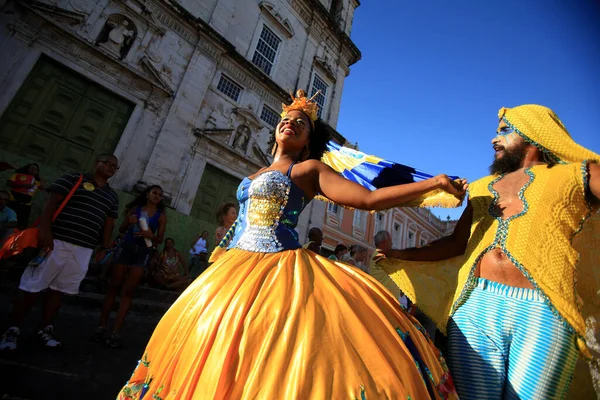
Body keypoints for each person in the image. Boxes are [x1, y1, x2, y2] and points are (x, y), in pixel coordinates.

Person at [117, 90, 465, 399]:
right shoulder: (253, 175)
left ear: (309, 141)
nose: (291, 124)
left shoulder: (307, 170)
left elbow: (368, 200)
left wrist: (432, 183)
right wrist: (220, 254)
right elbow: (242, 221)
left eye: (301, 124)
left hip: (279, 268)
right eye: (286, 119)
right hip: (231, 271)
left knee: (274, 352)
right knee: (213, 343)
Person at [378, 105, 600, 399]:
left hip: (545, 311)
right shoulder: (482, 187)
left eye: (505, 131)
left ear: (534, 133)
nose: (495, 140)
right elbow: (455, 244)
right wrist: (401, 255)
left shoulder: (578, 174)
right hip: (474, 307)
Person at [0, 155, 119, 350]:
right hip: (55, 241)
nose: (111, 168)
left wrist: (105, 247)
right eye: (107, 163)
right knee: (33, 286)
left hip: (84, 248)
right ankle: (12, 329)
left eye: (115, 166)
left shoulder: (112, 196)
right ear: (96, 162)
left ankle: (44, 329)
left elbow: (108, 223)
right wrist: (45, 231)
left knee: (60, 290)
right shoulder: (73, 179)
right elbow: (50, 203)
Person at [93, 185, 166, 348]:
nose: (157, 196)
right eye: (154, 193)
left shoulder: (161, 216)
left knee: (128, 290)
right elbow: (122, 229)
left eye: (160, 195)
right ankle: (101, 326)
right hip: (126, 247)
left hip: (143, 252)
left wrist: (151, 236)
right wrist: (129, 221)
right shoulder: (135, 209)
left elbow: (160, 239)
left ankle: (116, 331)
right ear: (147, 194)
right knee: (114, 286)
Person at [7, 163, 44, 229]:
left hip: (25, 205)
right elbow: (9, 183)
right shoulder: (17, 175)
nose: (33, 170)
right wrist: (25, 186)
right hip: (12, 201)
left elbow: (43, 188)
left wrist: (41, 179)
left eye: (36, 169)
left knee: (21, 225)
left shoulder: (37, 181)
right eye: (31, 168)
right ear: (27, 168)